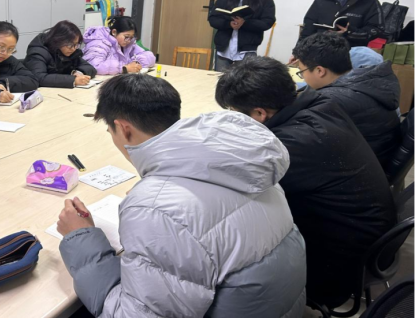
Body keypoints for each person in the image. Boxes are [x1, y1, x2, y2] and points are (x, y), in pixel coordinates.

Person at [56, 74, 307, 317]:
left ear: (124, 128)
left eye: (110, 131)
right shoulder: (244, 160)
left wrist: (82, 238)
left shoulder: (156, 209)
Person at [215, 56, 396, 308]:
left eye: (235, 112)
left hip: (339, 261)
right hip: (365, 235)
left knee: (222, 238)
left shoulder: (293, 143)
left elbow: (237, 188)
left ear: (259, 113)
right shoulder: (319, 105)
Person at [293, 33, 401, 167]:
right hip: (377, 157)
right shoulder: (365, 81)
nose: (303, 77)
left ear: (320, 71)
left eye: (301, 72)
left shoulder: (331, 101)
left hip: (354, 168)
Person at [208, 0, 276, 71]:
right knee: (221, 78)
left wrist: (245, 23)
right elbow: (213, 19)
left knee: (245, 79)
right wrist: (229, 24)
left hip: (247, 49)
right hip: (224, 48)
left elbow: (267, 22)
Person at [24, 20, 96, 88]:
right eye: (70, 44)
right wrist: (73, 80)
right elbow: (39, 77)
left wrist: (78, 73)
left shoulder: (70, 51)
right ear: (58, 40)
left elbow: (90, 68)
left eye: (76, 44)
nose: (73, 49)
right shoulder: (39, 51)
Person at [82, 16, 156, 75]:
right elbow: (93, 66)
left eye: (131, 37)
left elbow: (149, 56)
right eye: (126, 37)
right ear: (114, 32)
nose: (129, 40)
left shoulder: (128, 43)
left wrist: (137, 62)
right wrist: (124, 68)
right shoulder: (99, 43)